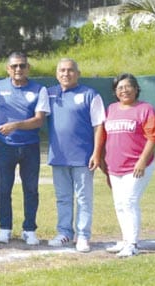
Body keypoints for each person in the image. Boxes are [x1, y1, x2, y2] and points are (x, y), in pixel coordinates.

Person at [0, 52, 49, 245]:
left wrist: (15, 125)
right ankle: (5, 229)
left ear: (28, 68)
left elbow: (39, 120)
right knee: (3, 190)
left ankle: (29, 230)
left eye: (22, 66)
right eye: (14, 66)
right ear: (7, 68)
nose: (18, 69)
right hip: (4, 147)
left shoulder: (39, 89)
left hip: (30, 147)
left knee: (31, 190)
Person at [45, 59, 105, 252]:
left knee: (83, 198)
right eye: (62, 70)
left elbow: (99, 126)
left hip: (83, 157)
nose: (66, 74)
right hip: (58, 157)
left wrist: (96, 153)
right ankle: (64, 233)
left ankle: (83, 236)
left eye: (70, 70)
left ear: (77, 73)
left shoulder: (90, 95)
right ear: (56, 74)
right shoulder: (49, 93)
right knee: (63, 197)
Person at [100, 73, 155, 258]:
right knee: (119, 204)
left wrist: (142, 161)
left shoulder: (145, 109)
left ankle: (132, 244)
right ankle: (126, 240)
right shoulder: (110, 109)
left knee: (129, 201)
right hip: (115, 166)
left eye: (128, 86)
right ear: (115, 92)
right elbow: (103, 137)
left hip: (137, 165)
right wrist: (103, 161)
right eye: (120, 88)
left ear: (136, 89)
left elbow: (153, 137)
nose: (124, 90)